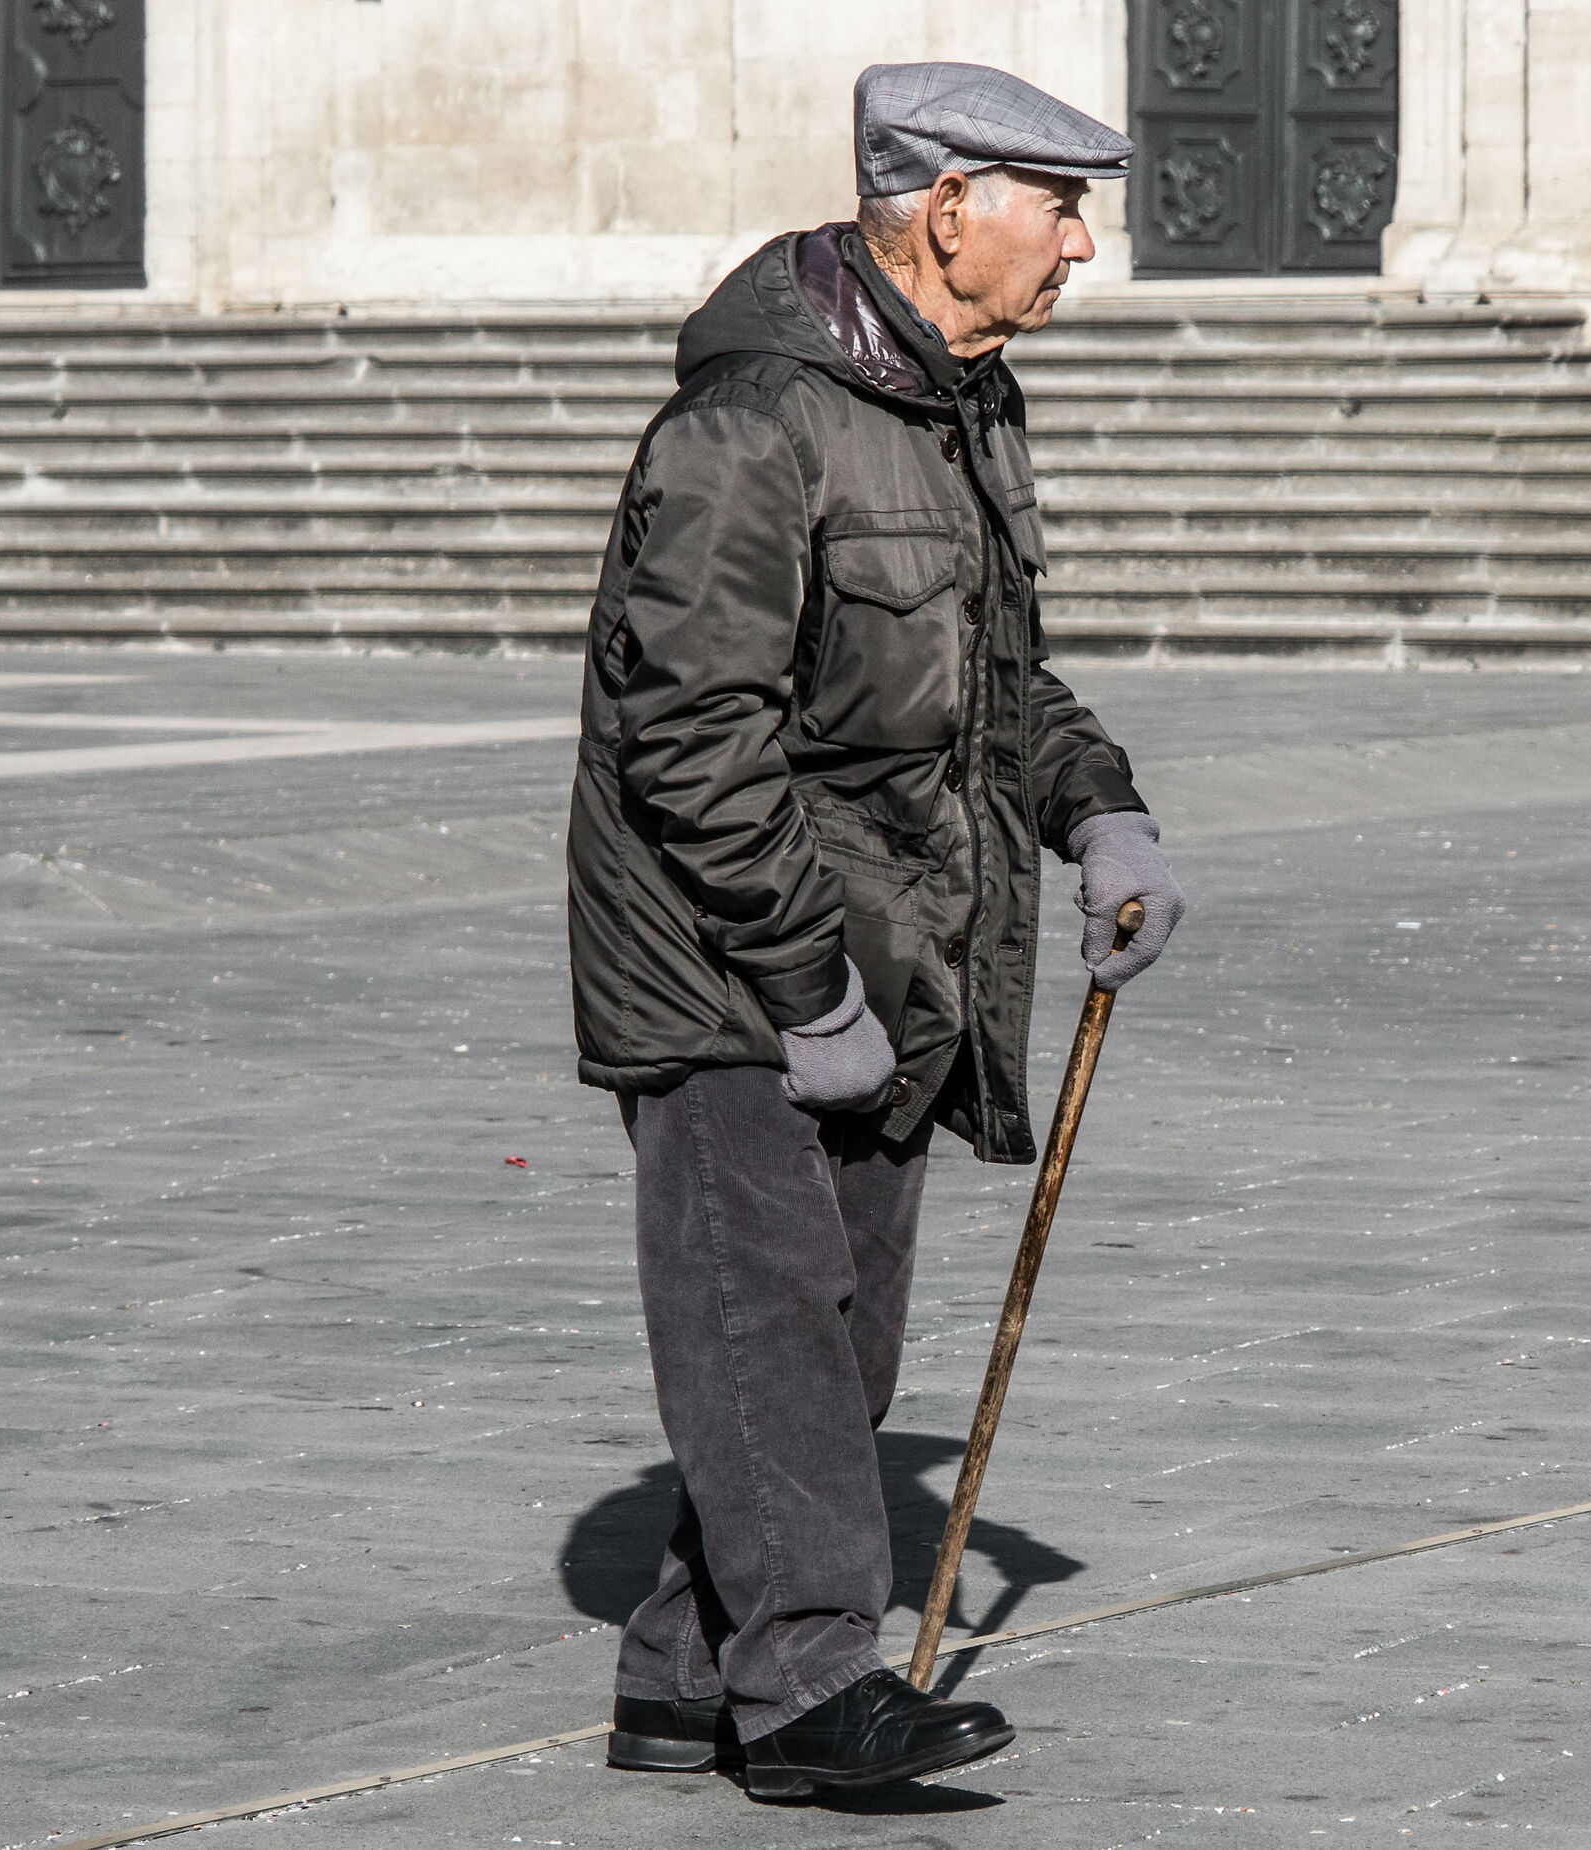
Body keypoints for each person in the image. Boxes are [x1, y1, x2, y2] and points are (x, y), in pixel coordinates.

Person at [563, 61, 1186, 1804]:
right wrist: (802, 980)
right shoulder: (752, 419)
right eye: (1053, 207)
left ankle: (683, 1675)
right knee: (767, 1319)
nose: (1078, 247)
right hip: (726, 959)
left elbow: (996, 684)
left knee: (840, 1343)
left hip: (882, 944)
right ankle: (810, 1688)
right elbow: (690, 735)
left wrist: (1097, 809)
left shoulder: (961, 408)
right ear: (942, 209)